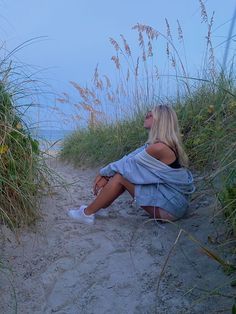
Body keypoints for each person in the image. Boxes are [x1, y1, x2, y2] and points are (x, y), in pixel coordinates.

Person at [68, 104, 195, 225]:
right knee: (122, 174)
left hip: (171, 210)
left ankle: (86, 213)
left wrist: (103, 174)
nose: (146, 116)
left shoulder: (159, 148)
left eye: (150, 115)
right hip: (171, 203)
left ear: (160, 121)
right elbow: (128, 158)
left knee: (121, 176)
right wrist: (106, 174)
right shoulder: (155, 145)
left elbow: (128, 165)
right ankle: (99, 207)